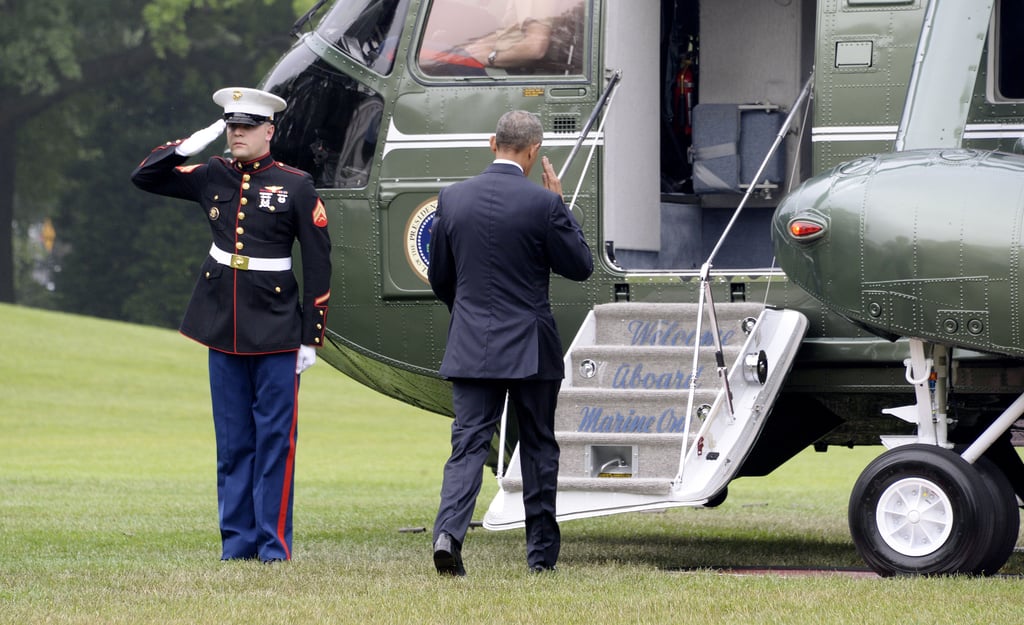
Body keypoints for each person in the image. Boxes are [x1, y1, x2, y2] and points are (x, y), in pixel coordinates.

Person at [130, 87, 332, 563]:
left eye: (245, 127)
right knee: (233, 442)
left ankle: (273, 546)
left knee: (275, 443)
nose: (236, 134)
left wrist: (312, 337)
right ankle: (237, 544)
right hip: (222, 324)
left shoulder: (296, 185)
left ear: (269, 131)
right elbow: (144, 177)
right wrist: (186, 146)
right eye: (230, 126)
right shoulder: (212, 174)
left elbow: (320, 264)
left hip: (279, 328)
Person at [428, 110, 593, 575]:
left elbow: (441, 277)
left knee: (468, 445)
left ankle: (448, 534)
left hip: (470, 341)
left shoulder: (453, 198)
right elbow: (580, 266)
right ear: (534, 150)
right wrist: (562, 208)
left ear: (491, 142)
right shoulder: (543, 204)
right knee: (539, 444)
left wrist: (468, 315)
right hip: (530, 346)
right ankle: (540, 557)